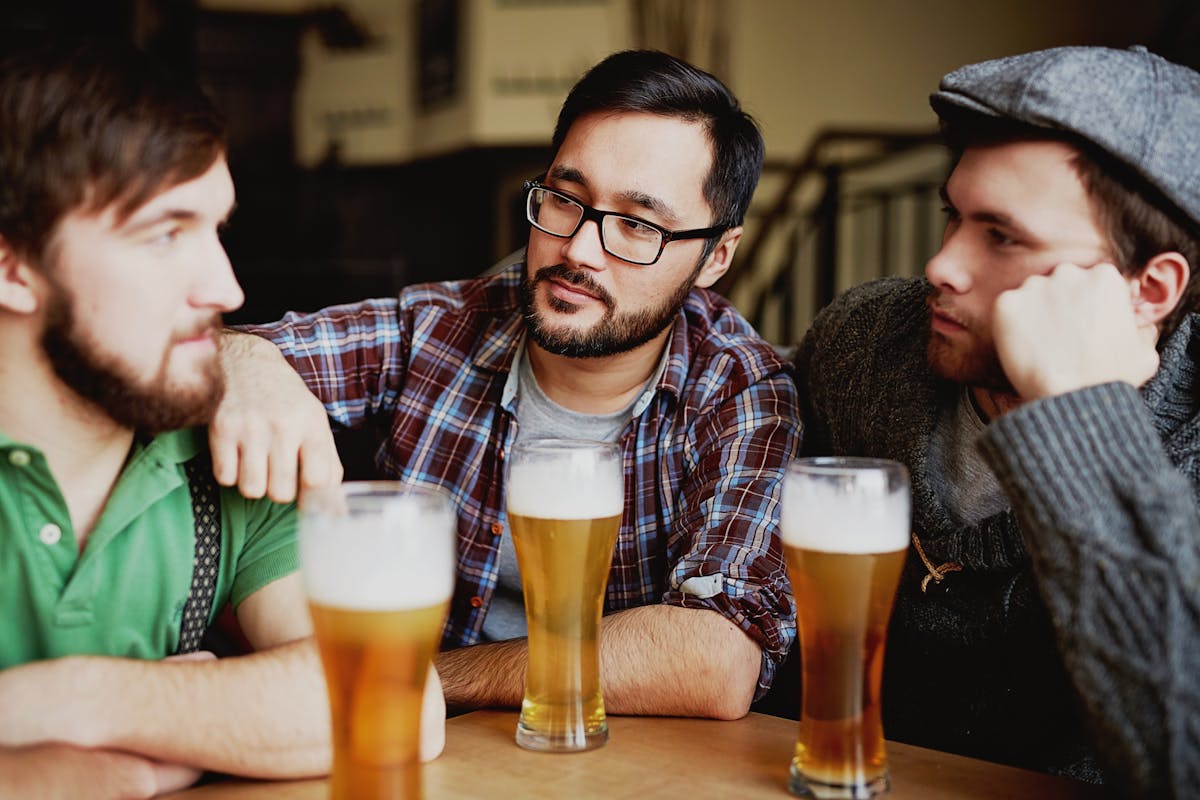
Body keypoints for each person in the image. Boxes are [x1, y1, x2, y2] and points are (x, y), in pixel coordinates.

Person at [215, 50, 801, 717]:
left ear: (715, 257)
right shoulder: (448, 326)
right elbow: (217, 351)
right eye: (564, 198)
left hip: (609, 767)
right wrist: (253, 365)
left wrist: (415, 679)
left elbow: (716, 658)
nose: (578, 250)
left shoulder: (741, 391)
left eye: (636, 225)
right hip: (415, 756)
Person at [0, 39, 442, 798]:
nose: (228, 287)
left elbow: (393, 706)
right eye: (166, 233)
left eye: (216, 231)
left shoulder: (235, 460)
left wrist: (71, 699)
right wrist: (114, 770)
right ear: (13, 266)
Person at [793, 45, 1200, 797]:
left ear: (1149, 289)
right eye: (954, 215)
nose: (942, 265)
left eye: (1002, 236)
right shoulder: (868, 343)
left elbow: (1183, 752)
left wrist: (1082, 416)